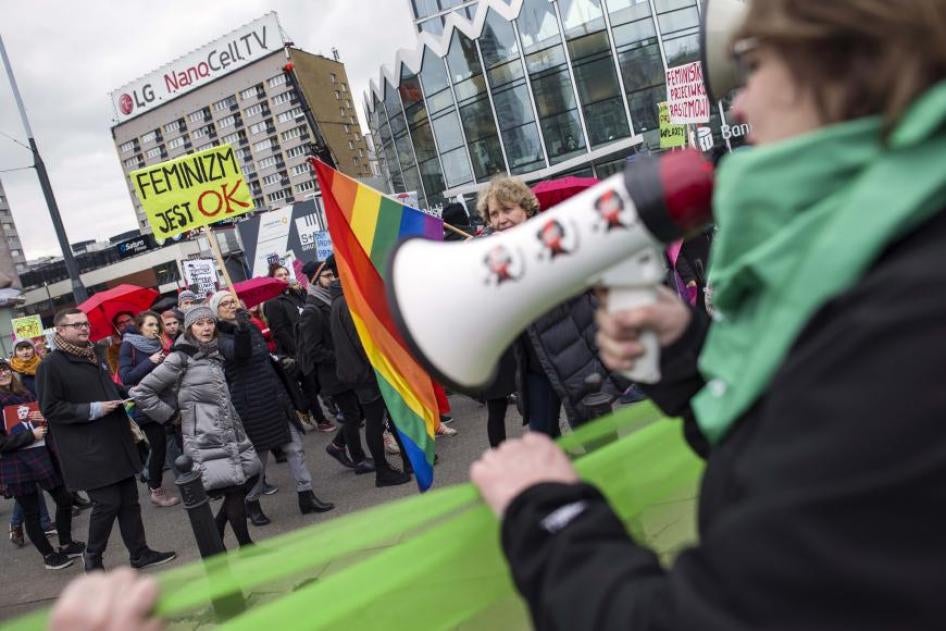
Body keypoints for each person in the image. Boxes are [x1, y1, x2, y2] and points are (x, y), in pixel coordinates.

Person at [471, 3, 946, 628]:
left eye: (754, 66)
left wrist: (552, 516)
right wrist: (688, 360)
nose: (739, 106)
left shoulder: (907, 317)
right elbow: (791, 446)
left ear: (847, 65)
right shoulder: (886, 268)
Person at [476, 176, 627, 438]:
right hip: (536, 366)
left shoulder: (551, 235)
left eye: (507, 209)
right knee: (543, 440)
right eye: (494, 214)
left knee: (599, 438)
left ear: (526, 208)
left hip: (576, 360)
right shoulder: (497, 256)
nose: (501, 219)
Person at [37, 308, 176, 572]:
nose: (84, 328)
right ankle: (93, 558)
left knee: (130, 501)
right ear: (60, 331)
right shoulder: (51, 365)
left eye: (85, 323)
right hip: (87, 449)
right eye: (76, 325)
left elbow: (109, 388)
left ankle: (140, 553)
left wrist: (130, 391)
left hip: (116, 440)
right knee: (107, 504)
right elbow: (50, 408)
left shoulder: (93, 354)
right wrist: (93, 409)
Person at [131, 305, 261, 550]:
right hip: (204, 434)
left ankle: (217, 532)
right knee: (234, 489)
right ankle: (245, 545)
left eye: (209, 322)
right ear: (189, 328)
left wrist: (242, 327)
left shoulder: (213, 352)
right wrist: (171, 417)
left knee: (248, 477)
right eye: (199, 324)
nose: (206, 328)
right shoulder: (181, 357)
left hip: (229, 428)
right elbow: (142, 392)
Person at [210, 291, 334, 524]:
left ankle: (306, 496)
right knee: (258, 461)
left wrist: (279, 360)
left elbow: (263, 354)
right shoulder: (220, 337)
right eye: (223, 304)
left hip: (274, 395)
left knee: (295, 448)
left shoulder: (250, 327)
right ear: (216, 312)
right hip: (251, 404)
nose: (229, 306)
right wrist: (242, 328)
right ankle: (251, 501)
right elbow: (241, 354)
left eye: (231, 301)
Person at [328, 259, 412, 488]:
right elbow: (361, 341)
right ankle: (383, 471)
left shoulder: (339, 300)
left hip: (362, 371)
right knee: (376, 421)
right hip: (365, 373)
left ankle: (407, 461)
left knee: (389, 416)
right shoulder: (346, 302)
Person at [0, 358, 85, 570]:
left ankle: (66, 544)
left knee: (65, 498)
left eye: (4, 369)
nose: (3, 373)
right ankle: (48, 555)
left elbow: (40, 421)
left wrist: (42, 418)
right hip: (16, 464)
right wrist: (31, 435)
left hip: (42, 456)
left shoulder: (25, 394)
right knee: (32, 513)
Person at [296, 260, 371, 474]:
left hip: (345, 369)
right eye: (327, 276)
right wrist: (342, 355)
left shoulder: (331, 299)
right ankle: (358, 460)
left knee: (358, 412)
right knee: (352, 414)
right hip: (333, 374)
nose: (332, 279)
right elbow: (313, 350)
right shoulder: (312, 309)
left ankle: (337, 446)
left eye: (332, 274)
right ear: (315, 280)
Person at [118, 311, 179, 508]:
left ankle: (187, 479)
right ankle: (156, 490)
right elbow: (126, 377)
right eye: (150, 325)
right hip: (147, 406)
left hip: (168, 401)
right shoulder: (129, 345)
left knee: (177, 441)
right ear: (140, 327)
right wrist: (149, 362)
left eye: (157, 325)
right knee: (159, 447)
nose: (155, 329)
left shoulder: (160, 343)